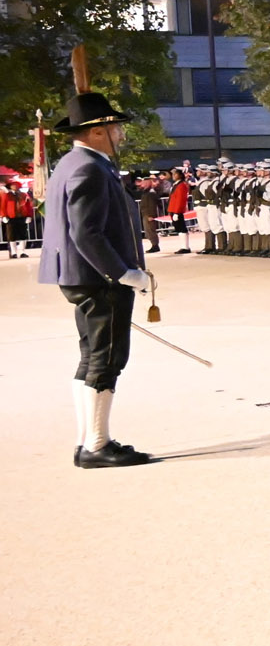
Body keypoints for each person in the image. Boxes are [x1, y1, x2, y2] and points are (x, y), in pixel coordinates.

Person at [38, 91, 155, 468]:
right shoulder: (89, 167)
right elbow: (86, 232)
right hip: (99, 278)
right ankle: (97, 446)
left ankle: (88, 438)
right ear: (98, 131)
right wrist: (124, 273)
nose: (119, 132)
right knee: (107, 359)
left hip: (82, 276)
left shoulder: (72, 163)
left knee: (91, 357)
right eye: (114, 126)